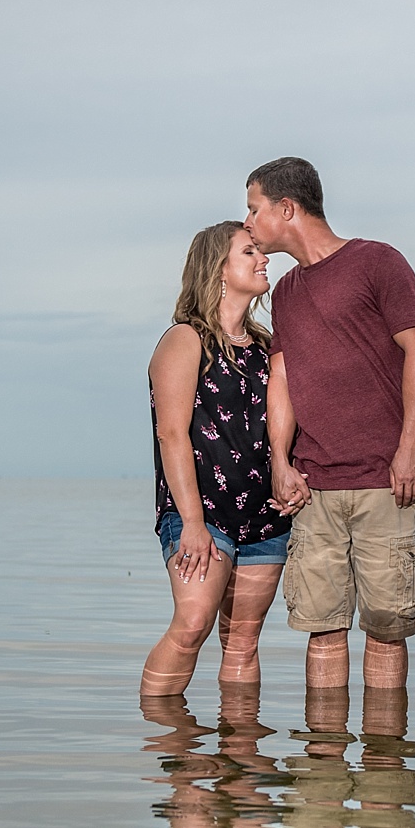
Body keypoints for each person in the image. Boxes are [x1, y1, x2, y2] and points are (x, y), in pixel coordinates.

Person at [245, 157, 415, 692]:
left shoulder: (378, 263)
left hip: (385, 481)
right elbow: (280, 378)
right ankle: (321, 767)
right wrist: (279, 462)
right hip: (314, 489)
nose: (249, 223)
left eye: (254, 209)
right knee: (322, 631)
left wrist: (410, 449)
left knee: (386, 631)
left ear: (287, 208)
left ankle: (383, 764)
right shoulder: (283, 293)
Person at [140, 221, 294, 696]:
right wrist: (190, 522)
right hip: (201, 514)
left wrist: (290, 472)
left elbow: (281, 427)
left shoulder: (269, 348)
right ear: (219, 271)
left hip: (265, 515)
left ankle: (240, 763)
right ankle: (171, 754)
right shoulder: (185, 340)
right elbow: (171, 435)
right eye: (250, 252)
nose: (264, 257)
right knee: (191, 625)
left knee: (243, 642)